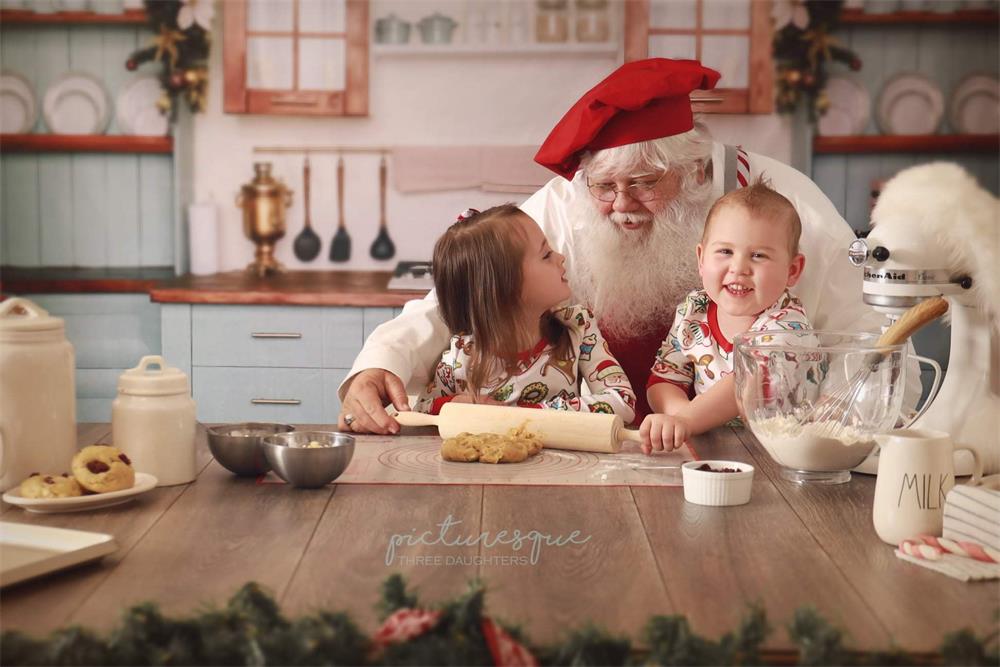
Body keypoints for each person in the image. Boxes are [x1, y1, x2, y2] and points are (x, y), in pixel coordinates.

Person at [337, 58, 905, 435]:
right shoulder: (567, 201)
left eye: (644, 184)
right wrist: (378, 363)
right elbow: (467, 289)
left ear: (691, 170)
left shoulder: (785, 202)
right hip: (598, 448)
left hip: (759, 448)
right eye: (604, 187)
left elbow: (863, 331)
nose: (621, 205)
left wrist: (833, 442)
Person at [412, 205, 636, 423]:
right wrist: (455, 404)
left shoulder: (578, 325)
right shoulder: (461, 357)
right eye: (546, 255)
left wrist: (526, 415)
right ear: (505, 288)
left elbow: (622, 402)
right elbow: (420, 412)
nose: (560, 257)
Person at [640, 179, 811, 453]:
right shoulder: (693, 310)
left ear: (792, 270)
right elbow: (664, 378)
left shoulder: (788, 326)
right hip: (713, 447)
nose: (739, 267)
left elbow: (744, 387)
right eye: (725, 252)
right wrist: (677, 416)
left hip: (777, 453)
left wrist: (688, 419)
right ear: (701, 259)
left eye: (758, 255)